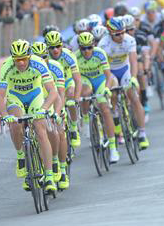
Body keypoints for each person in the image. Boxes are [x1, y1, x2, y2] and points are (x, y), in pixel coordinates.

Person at [0, 39, 59, 193]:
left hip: (35, 96)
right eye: (17, 60)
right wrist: (4, 115)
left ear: (29, 56)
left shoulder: (39, 63)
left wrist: (43, 109)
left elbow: (53, 91)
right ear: (13, 59)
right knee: (16, 123)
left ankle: (49, 176)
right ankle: (21, 156)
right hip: (15, 97)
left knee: (40, 128)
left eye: (24, 59)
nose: (21, 63)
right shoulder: (6, 67)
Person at [98, 17, 150, 149]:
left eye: (123, 32)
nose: (121, 35)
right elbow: (104, 69)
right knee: (113, 94)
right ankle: (115, 116)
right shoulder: (103, 44)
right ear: (110, 34)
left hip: (125, 69)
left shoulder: (129, 39)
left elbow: (133, 61)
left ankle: (143, 133)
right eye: (117, 34)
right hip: (111, 72)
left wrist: (133, 78)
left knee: (134, 97)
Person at [74, 32, 119, 163]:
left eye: (89, 47)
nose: (87, 51)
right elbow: (75, 79)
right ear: (79, 48)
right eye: (83, 48)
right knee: (85, 93)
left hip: (100, 80)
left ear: (94, 45)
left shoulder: (99, 53)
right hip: (85, 79)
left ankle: (113, 147)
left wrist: (106, 89)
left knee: (105, 109)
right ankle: (87, 119)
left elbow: (108, 75)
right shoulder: (76, 57)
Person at [31, 41, 70, 190]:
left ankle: (62, 168)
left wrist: (57, 113)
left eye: (44, 57)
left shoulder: (54, 67)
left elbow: (60, 93)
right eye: (37, 57)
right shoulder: (31, 68)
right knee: (39, 133)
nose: (42, 60)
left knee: (58, 131)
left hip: (54, 101)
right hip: (38, 103)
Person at [44, 30, 83, 148]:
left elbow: (77, 79)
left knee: (70, 94)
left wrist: (76, 100)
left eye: (58, 46)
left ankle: (74, 128)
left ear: (62, 45)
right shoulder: (44, 58)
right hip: (52, 87)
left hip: (67, 83)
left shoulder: (69, 55)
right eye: (51, 47)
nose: (55, 50)